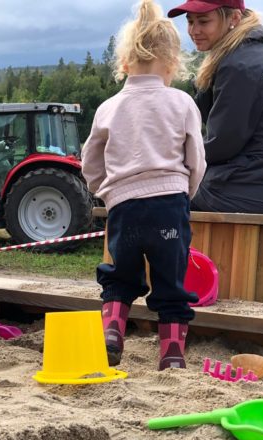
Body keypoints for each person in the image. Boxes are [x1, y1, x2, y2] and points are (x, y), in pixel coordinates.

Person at [81, 0, 206, 370]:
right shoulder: (181, 102)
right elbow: (196, 158)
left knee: (121, 275)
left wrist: (105, 189)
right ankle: (171, 355)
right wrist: (186, 191)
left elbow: (90, 161)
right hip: (169, 204)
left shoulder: (109, 107)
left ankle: (112, 331)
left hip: (125, 208)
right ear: (172, 65)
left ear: (123, 64)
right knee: (171, 282)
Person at [168, 0, 263, 214]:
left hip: (248, 187)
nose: (194, 30)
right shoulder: (251, 54)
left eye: (203, 21)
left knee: (160, 203)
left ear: (234, 18)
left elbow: (222, 143)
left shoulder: (240, 66)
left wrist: (168, 156)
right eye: (190, 21)